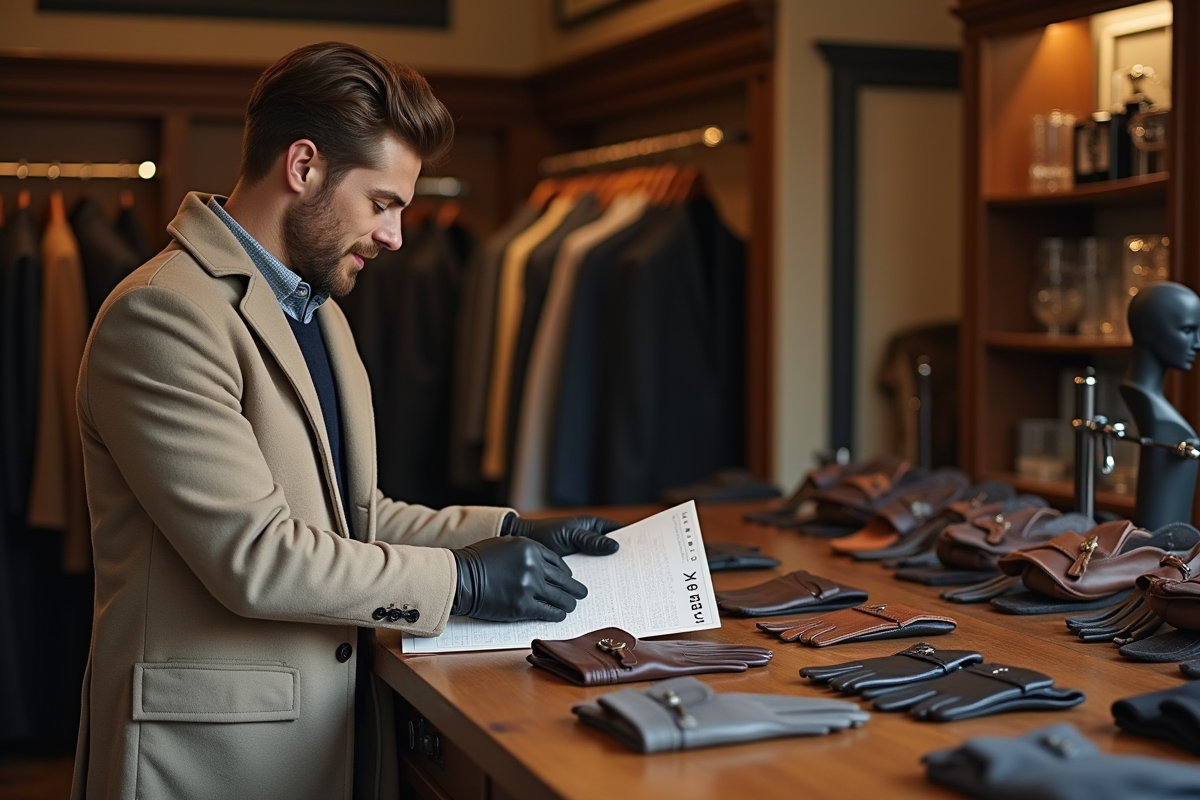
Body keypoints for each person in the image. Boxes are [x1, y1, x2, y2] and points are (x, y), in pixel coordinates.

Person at [71, 42, 620, 800]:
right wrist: (463, 580)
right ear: (303, 167)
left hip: (325, 734)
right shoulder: (163, 315)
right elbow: (257, 556)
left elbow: (351, 518)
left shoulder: (317, 312)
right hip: (205, 760)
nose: (394, 235)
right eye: (383, 203)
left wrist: (508, 531)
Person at [1121, 281, 1200, 529]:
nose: (1198, 343)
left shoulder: (1159, 412)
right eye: (1187, 330)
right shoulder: (1163, 420)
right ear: (1149, 330)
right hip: (1161, 555)